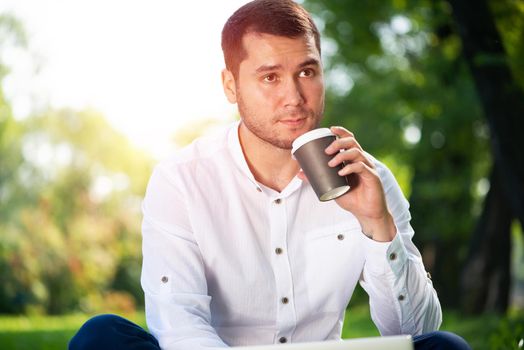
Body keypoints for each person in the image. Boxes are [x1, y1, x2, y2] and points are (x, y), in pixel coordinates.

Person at [69, 1, 471, 349]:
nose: (294, 97)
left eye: (307, 72)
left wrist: (377, 225)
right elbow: (180, 327)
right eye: (270, 77)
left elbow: (416, 332)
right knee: (101, 337)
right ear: (231, 86)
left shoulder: (368, 178)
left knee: (444, 346)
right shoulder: (181, 180)